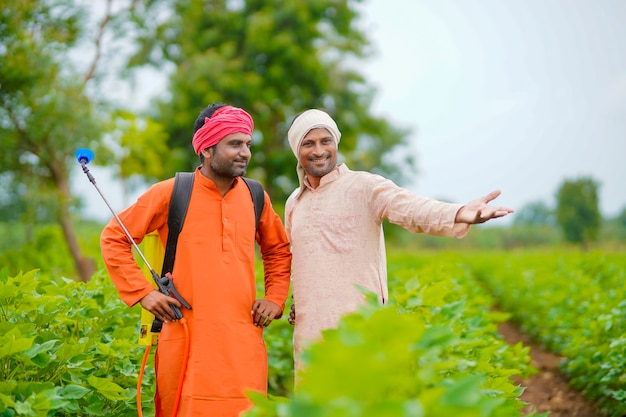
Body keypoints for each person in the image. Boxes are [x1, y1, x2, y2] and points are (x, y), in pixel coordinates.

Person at [284, 108, 514, 371]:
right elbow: (296, 259)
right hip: (310, 332)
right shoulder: (294, 203)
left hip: (360, 328)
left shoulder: (364, 187)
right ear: (296, 151)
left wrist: (460, 212)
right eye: (308, 143)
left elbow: (412, 208)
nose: (318, 150)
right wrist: (296, 299)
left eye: (326, 141)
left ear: (336, 144)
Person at [100, 103, 292, 417]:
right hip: (186, 336)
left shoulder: (257, 196)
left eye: (248, 144)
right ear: (206, 149)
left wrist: (275, 297)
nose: (245, 152)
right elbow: (114, 237)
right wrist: (143, 293)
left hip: (242, 340)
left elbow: (278, 251)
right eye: (234, 144)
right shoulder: (170, 193)